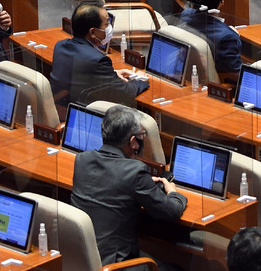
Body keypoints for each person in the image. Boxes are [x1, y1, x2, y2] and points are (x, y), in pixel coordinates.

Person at [70, 104, 186, 267]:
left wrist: (143, 184)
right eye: (141, 136)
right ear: (133, 141)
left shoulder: (82, 160)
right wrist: (173, 192)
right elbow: (171, 211)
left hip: (82, 258)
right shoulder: (134, 172)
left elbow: (111, 184)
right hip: (114, 264)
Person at [50, 1, 149, 112]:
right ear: (92, 32)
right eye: (106, 24)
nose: (109, 28)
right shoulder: (98, 60)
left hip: (62, 108)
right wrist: (140, 79)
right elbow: (125, 92)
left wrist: (112, 74)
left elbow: (82, 75)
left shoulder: (60, 46)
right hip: (83, 116)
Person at [177, 0, 241, 79]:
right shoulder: (228, 38)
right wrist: (232, 34)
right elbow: (234, 75)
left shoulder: (185, 15)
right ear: (222, 0)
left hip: (186, 73)